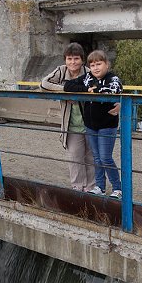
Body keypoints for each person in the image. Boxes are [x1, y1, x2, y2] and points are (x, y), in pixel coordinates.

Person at [64, 50, 122, 199]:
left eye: (99, 64)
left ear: (106, 65)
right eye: (92, 65)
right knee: (96, 157)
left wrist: (92, 91)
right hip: (90, 125)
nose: (96, 68)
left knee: (105, 158)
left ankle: (117, 188)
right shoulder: (88, 77)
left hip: (107, 125)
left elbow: (113, 91)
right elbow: (68, 85)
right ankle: (100, 187)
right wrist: (85, 89)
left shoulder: (113, 78)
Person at [40, 42, 95, 192]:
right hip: (71, 125)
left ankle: (91, 188)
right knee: (75, 157)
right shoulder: (61, 71)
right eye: (69, 59)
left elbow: (99, 89)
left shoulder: (89, 72)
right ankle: (78, 187)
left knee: (91, 158)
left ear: (82, 60)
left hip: (90, 124)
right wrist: (65, 90)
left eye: (76, 59)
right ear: (65, 60)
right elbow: (44, 84)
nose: (73, 62)